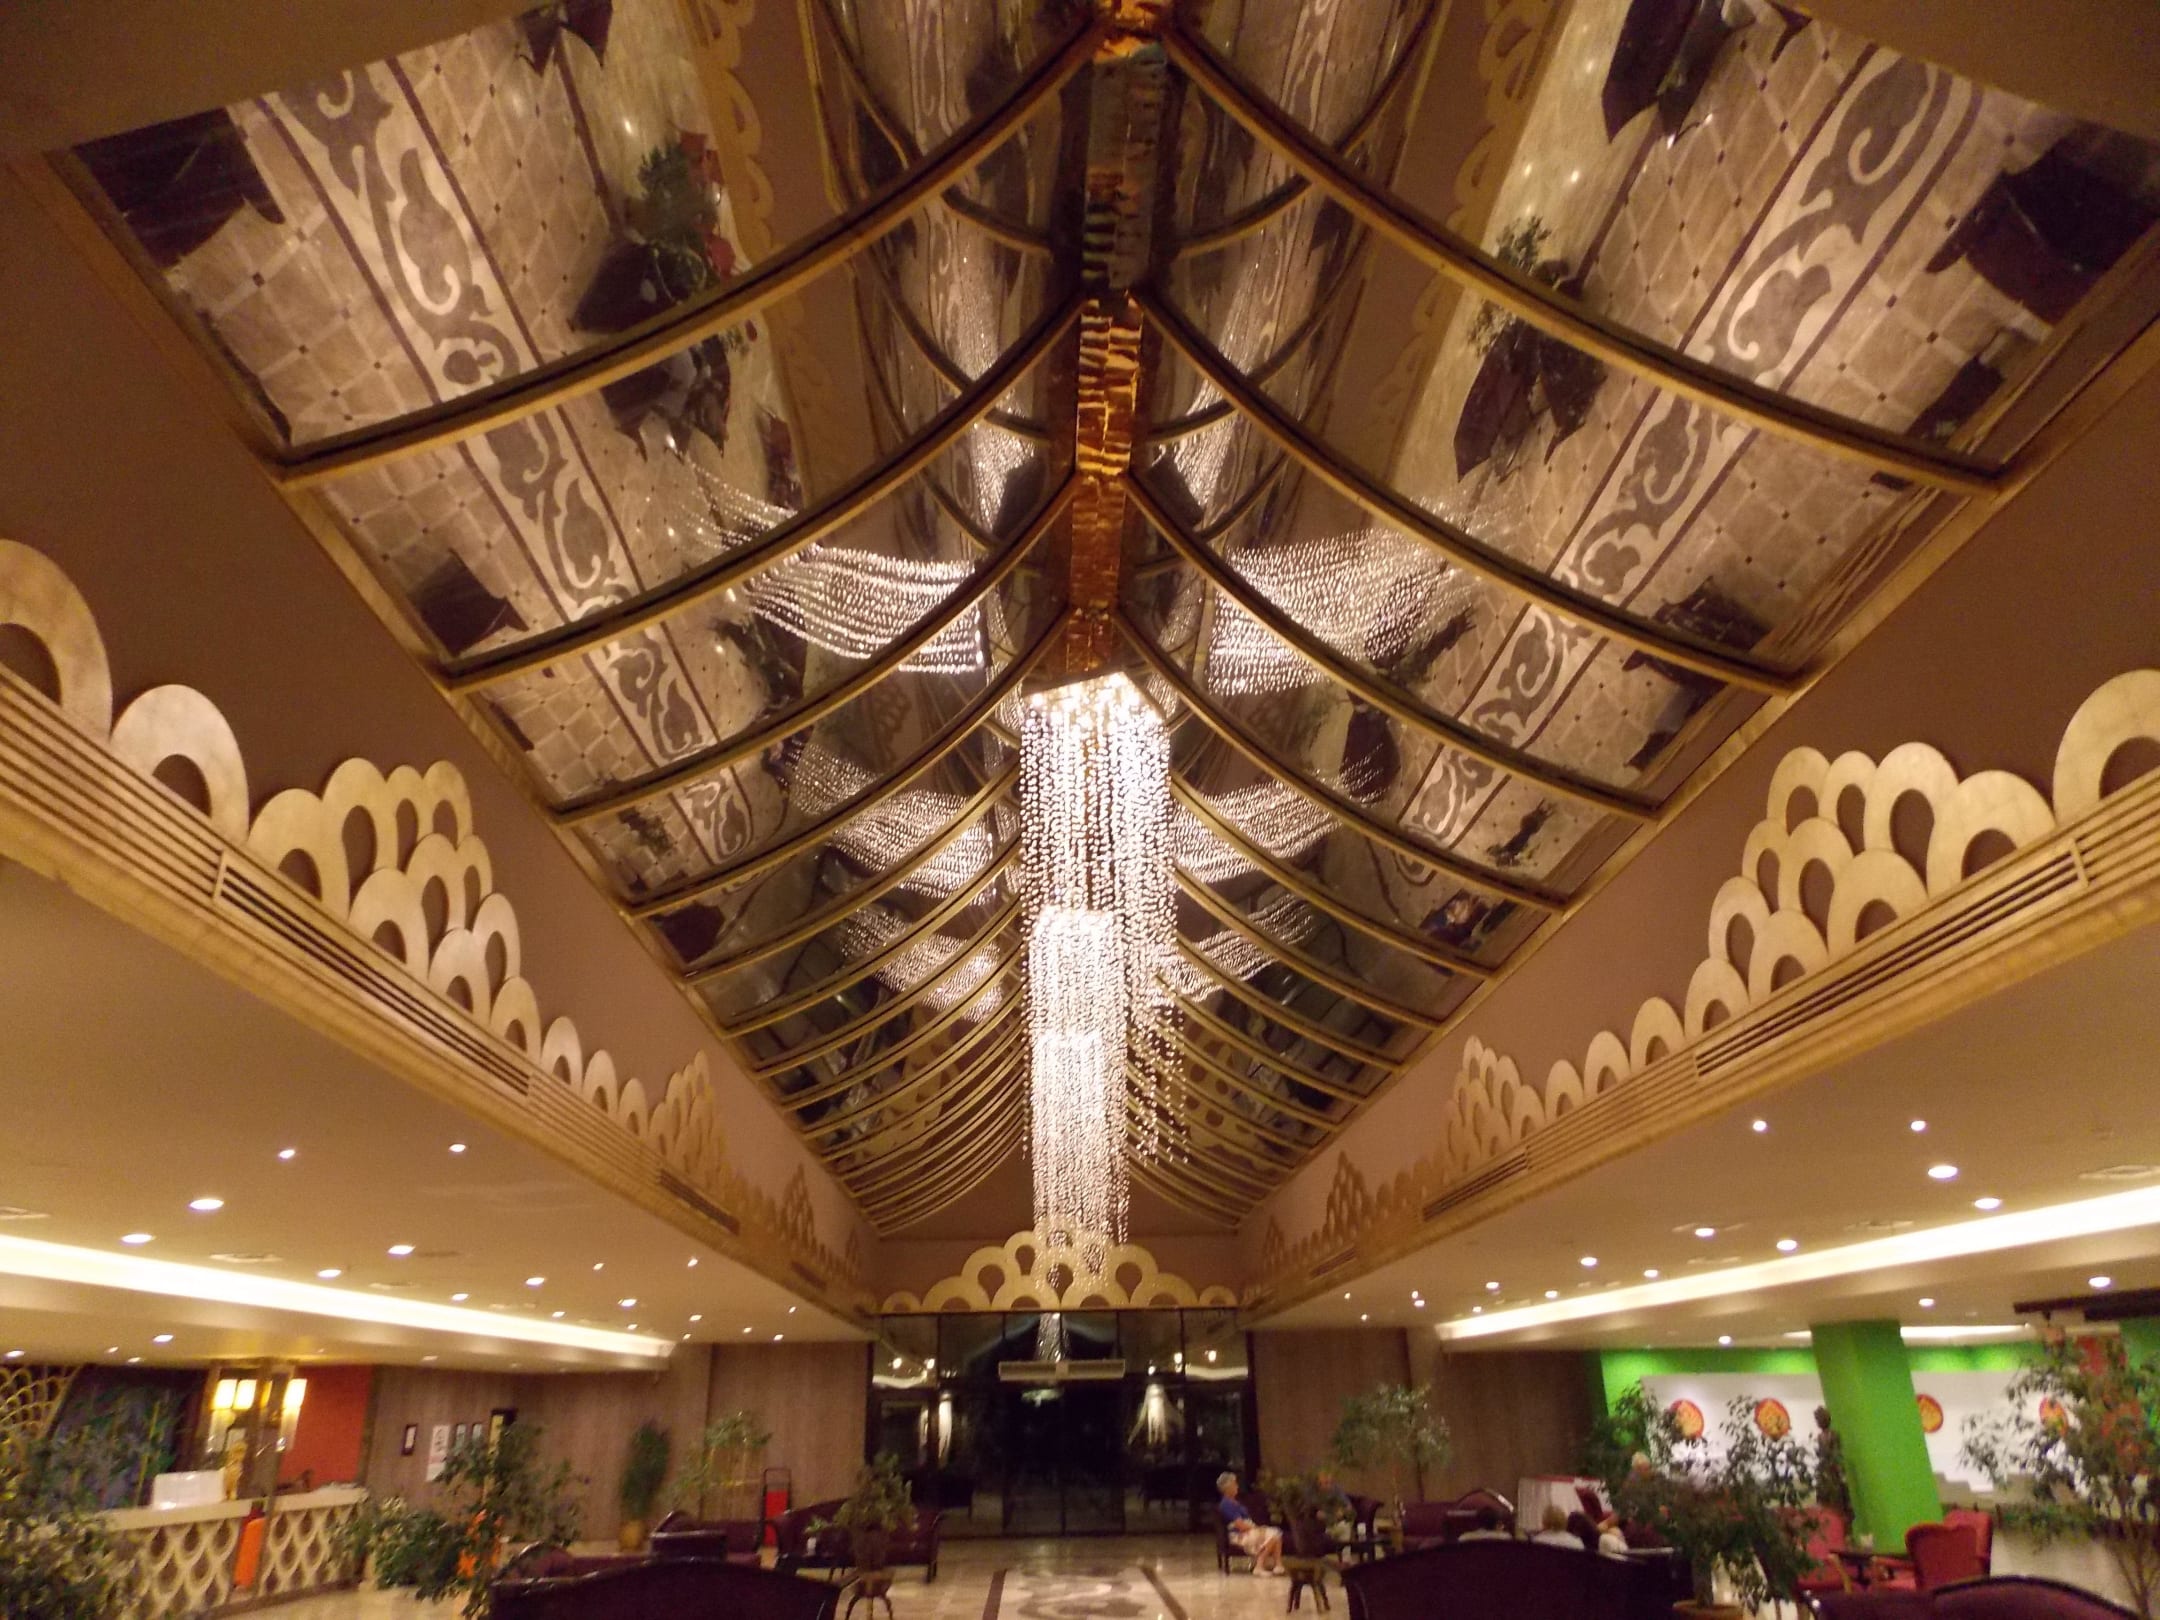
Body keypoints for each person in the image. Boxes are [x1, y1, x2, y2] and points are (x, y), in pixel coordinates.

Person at [1217, 1472, 1285, 1575]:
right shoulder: (1226, 1504)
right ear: (1228, 1488)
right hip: (1239, 1534)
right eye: (1235, 1484)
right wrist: (1257, 1529)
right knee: (1273, 1535)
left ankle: (1278, 1564)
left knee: (1276, 1533)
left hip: (1248, 1529)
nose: (1237, 1486)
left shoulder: (1235, 1502)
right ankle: (1259, 1566)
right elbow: (1240, 1525)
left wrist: (1258, 1528)